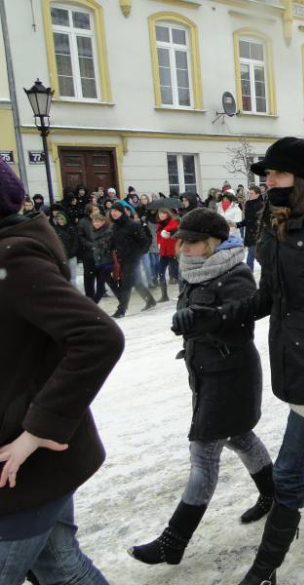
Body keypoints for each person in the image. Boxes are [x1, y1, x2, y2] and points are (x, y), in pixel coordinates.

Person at [177, 137, 304, 584]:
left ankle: (265, 569)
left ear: (301, 180)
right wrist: (212, 317)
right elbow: (267, 297)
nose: (268, 182)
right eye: (267, 175)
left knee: (289, 472)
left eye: (278, 174)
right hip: (292, 358)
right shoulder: (278, 224)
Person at [0, 158, 124, 585]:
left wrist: (37, 429)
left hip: (24, 461)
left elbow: (99, 337)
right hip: (25, 464)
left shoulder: (11, 258)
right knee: (61, 568)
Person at [129, 209, 273, 566]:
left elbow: (241, 325)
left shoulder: (236, 275)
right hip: (207, 373)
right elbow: (192, 320)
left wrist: (202, 321)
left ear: (212, 243)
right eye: (181, 241)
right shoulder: (194, 273)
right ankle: (275, 496)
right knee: (240, 437)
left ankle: (172, 541)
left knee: (204, 455)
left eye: (191, 242)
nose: (183, 248)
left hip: (231, 375)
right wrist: (187, 324)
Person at [109, 200, 156, 318]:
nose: (113, 213)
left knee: (125, 283)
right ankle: (150, 300)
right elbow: (115, 241)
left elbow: (144, 241)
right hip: (122, 258)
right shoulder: (115, 226)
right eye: (112, 211)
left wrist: (138, 254)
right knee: (135, 281)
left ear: (122, 212)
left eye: (116, 211)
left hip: (133, 258)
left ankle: (121, 310)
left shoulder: (132, 225)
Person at [91, 213, 121, 303]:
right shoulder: (94, 232)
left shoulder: (107, 232)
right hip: (100, 262)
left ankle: (93, 305)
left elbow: (107, 247)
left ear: (103, 222)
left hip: (107, 262)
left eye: (97, 221)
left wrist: (99, 247)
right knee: (112, 284)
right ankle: (123, 301)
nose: (95, 223)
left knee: (100, 287)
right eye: (94, 221)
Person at [155, 207, 180, 302]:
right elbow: (158, 236)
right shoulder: (159, 225)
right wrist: (159, 244)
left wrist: (167, 231)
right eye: (160, 214)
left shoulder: (173, 222)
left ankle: (183, 293)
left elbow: (174, 229)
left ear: (168, 214)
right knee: (161, 272)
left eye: (163, 213)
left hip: (172, 252)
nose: (161, 215)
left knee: (177, 274)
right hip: (163, 252)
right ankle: (164, 295)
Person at [237, 185, 264, 270]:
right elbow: (247, 220)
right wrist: (237, 225)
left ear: (258, 194)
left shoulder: (262, 205)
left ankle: (249, 275)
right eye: (249, 193)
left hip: (257, 234)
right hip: (249, 234)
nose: (249, 195)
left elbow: (263, 221)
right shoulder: (248, 204)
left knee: (251, 256)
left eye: (251, 193)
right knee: (252, 256)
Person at [51, 210, 80, 287]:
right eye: (58, 219)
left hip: (71, 256)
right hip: (60, 256)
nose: (60, 221)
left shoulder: (72, 228)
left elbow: (76, 242)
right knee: (62, 276)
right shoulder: (54, 229)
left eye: (61, 219)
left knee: (72, 276)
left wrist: (71, 253)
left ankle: (73, 293)